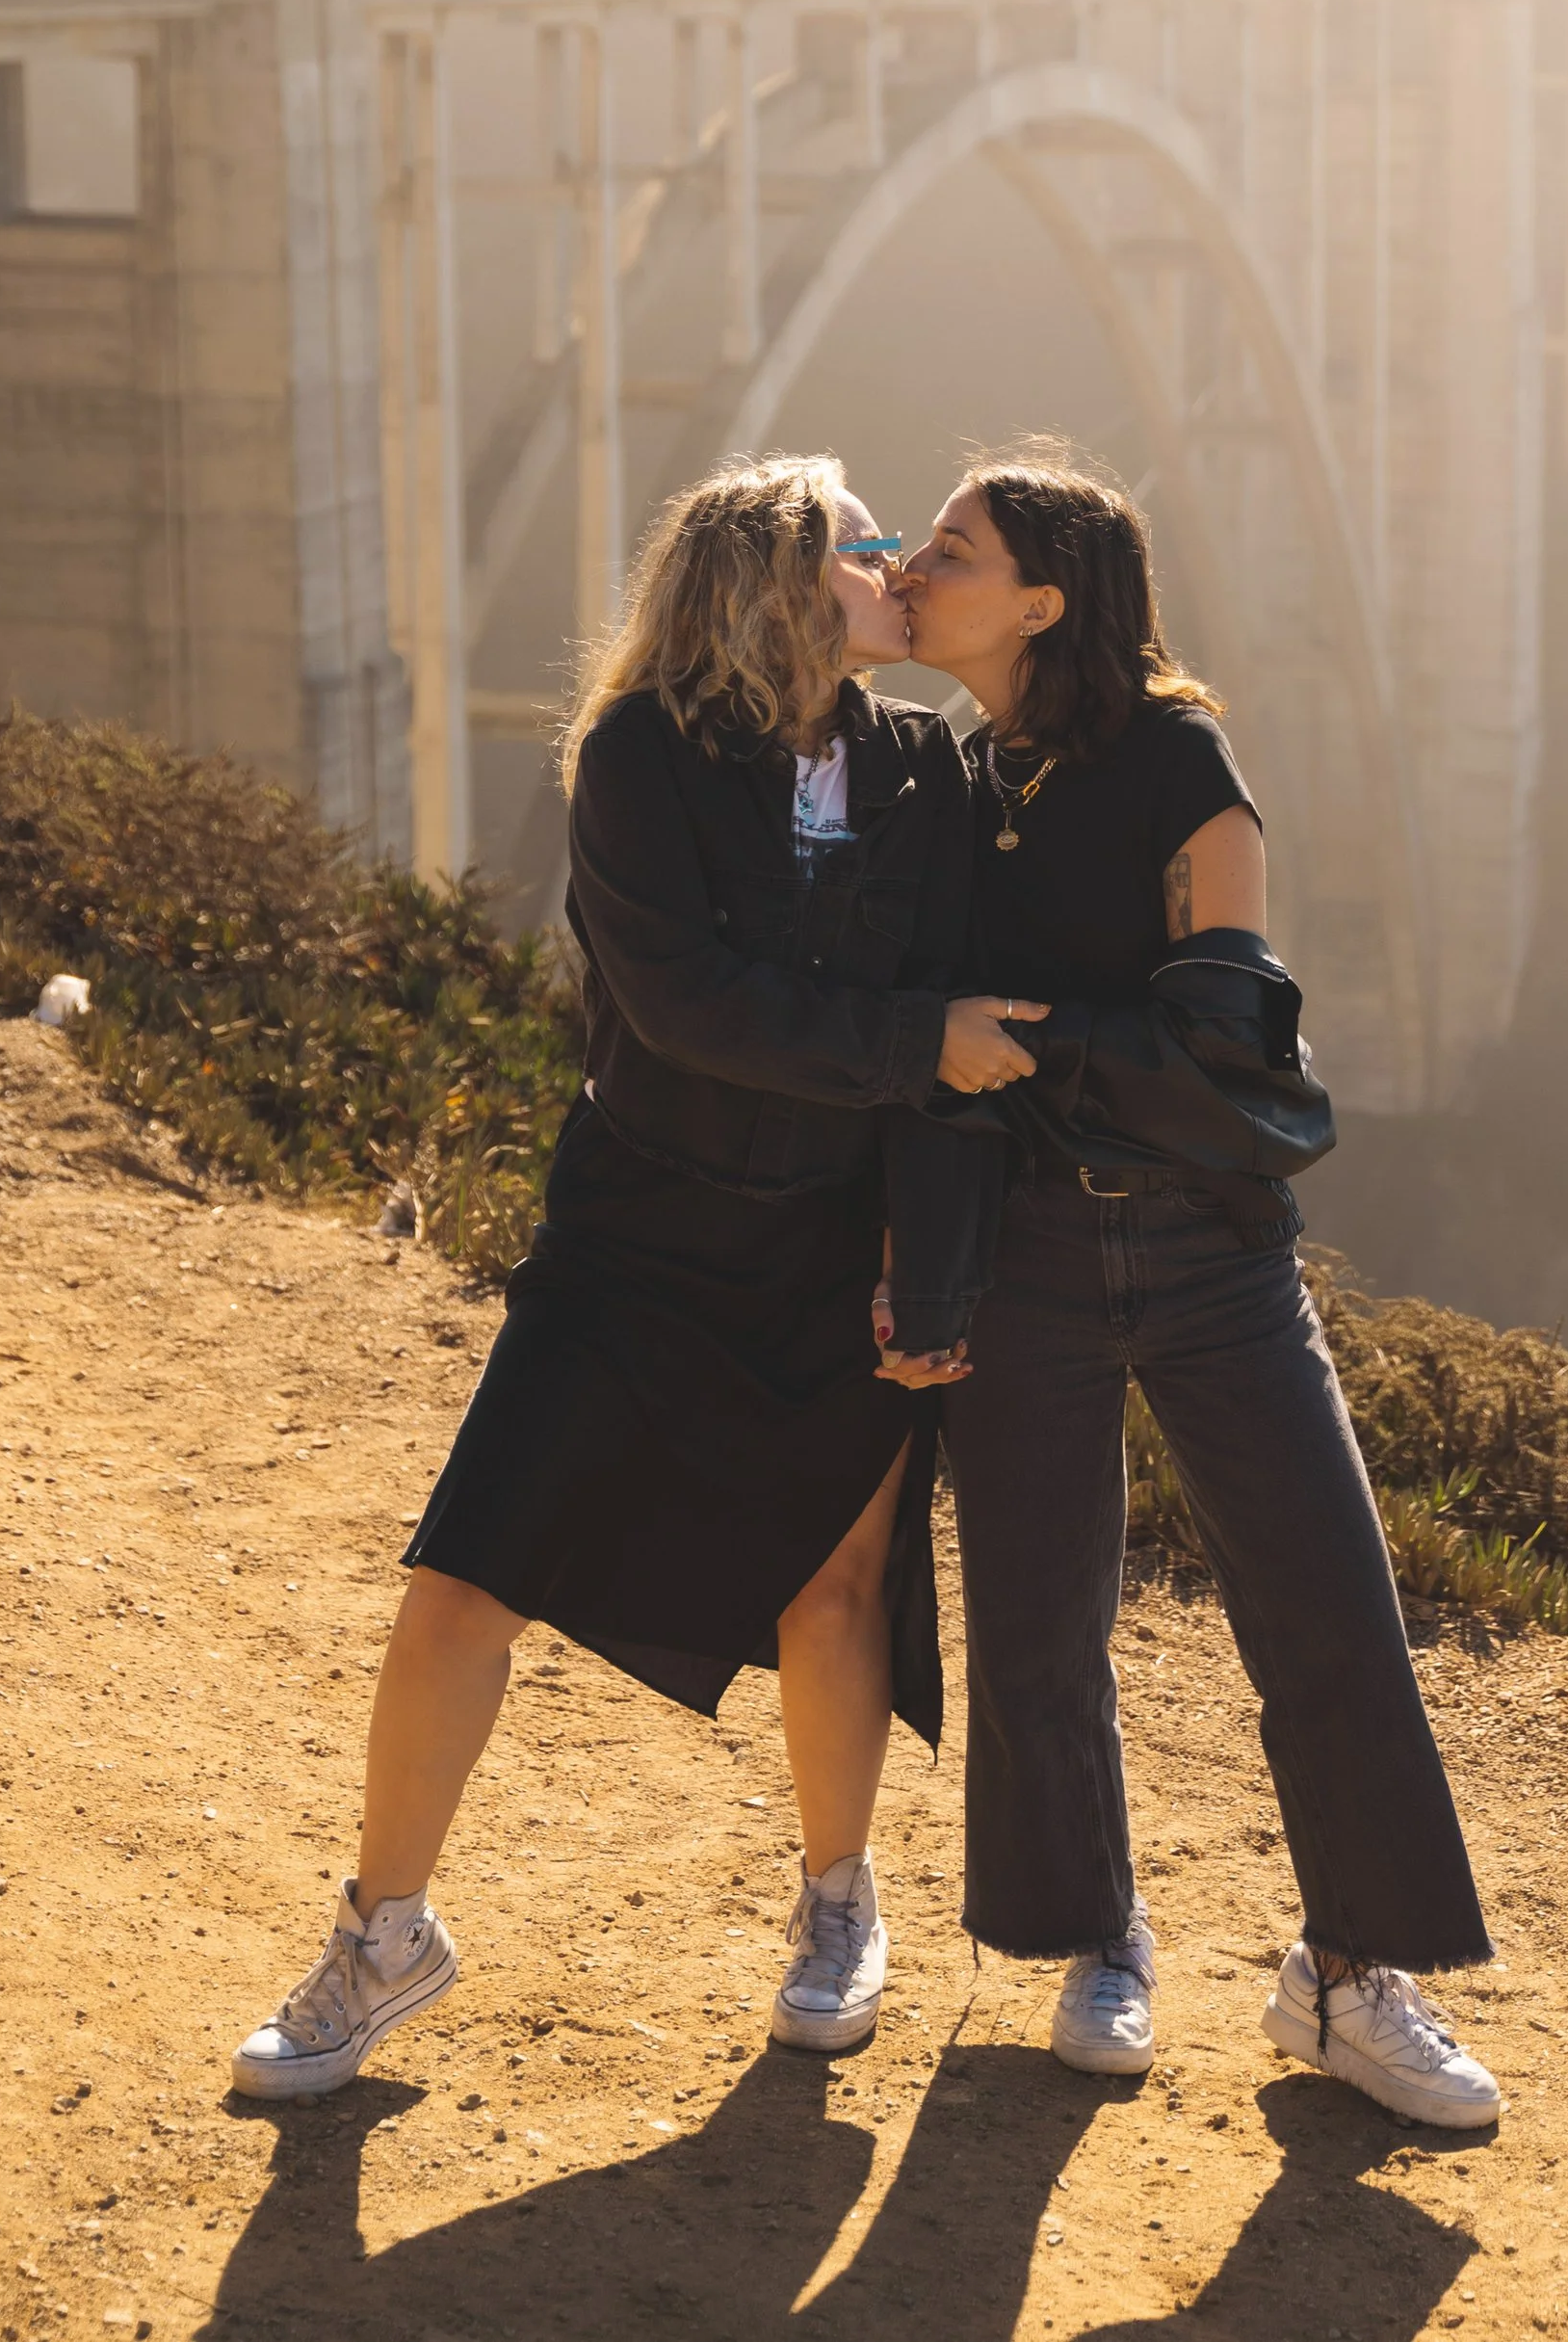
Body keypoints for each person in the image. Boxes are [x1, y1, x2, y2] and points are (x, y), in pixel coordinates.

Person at [228, 455, 1044, 2100]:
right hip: (640, 1228)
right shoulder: (639, 758)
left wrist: (928, 1269)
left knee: (836, 1587)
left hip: (834, 1243)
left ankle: (836, 1902)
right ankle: (383, 1934)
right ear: (774, 584)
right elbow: (688, 1005)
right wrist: (913, 1046)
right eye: (858, 545)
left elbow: (971, 1010)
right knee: (467, 1575)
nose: (893, 565)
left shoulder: (930, 776)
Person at [896, 454, 1502, 2131]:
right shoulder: (945, 777)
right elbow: (916, 1043)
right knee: (1034, 1620)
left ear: (1043, 600)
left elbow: (1224, 1055)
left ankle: (1351, 1976)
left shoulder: (1178, 758)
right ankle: (1094, 1936)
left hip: (1204, 1247)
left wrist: (1021, 1045)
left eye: (952, 545)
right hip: (1016, 1253)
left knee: (1324, 1601)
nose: (911, 557)